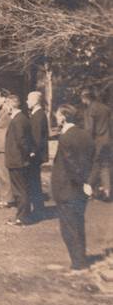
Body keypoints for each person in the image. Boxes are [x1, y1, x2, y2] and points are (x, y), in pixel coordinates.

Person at [51, 105, 95, 271]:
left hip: (67, 188)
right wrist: (88, 183)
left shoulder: (65, 138)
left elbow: (70, 165)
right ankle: (80, 258)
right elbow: (92, 160)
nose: (56, 118)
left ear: (63, 117)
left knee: (69, 228)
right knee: (78, 224)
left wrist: (81, 181)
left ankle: (78, 263)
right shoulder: (86, 135)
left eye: (57, 115)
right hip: (81, 190)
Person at [3, 94, 36, 226]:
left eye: (6, 105)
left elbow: (23, 142)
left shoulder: (18, 120)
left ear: (11, 105)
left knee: (19, 190)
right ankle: (23, 215)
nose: (5, 108)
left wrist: (26, 155)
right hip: (18, 160)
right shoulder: (21, 118)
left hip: (17, 161)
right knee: (21, 189)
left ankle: (22, 217)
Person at [81, 88, 111, 202]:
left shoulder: (90, 110)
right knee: (105, 166)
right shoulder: (106, 108)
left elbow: (89, 129)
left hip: (97, 142)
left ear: (85, 99)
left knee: (94, 166)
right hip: (108, 141)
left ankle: (87, 191)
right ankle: (107, 191)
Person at [26, 91, 49, 217]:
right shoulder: (37, 114)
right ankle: (38, 208)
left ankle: (38, 209)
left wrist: (32, 151)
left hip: (35, 154)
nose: (27, 101)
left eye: (28, 99)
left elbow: (37, 137)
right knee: (34, 181)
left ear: (35, 101)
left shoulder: (39, 115)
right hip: (36, 153)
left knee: (34, 181)